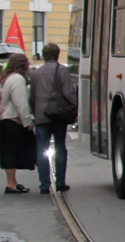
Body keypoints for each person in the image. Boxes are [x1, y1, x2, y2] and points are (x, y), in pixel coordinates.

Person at [30, 43, 74, 195]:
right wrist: (73, 108)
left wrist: (34, 113)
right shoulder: (62, 70)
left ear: (43, 55)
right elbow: (68, 92)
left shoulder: (35, 74)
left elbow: (32, 97)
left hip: (41, 116)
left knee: (41, 149)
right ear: (58, 54)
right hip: (58, 115)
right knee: (60, 147)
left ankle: (44, 185)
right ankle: (60, 182)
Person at [0, 53, 37, 194]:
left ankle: (13, 182)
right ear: (23, 64)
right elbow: (20, 102)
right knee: (11, 152)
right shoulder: (17, 79)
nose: (29, 65)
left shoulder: (8, 78)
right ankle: (10, 184)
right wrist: (27, 121)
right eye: (28, 62)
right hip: (12, 121)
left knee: (10, 151)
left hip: (7, 120)